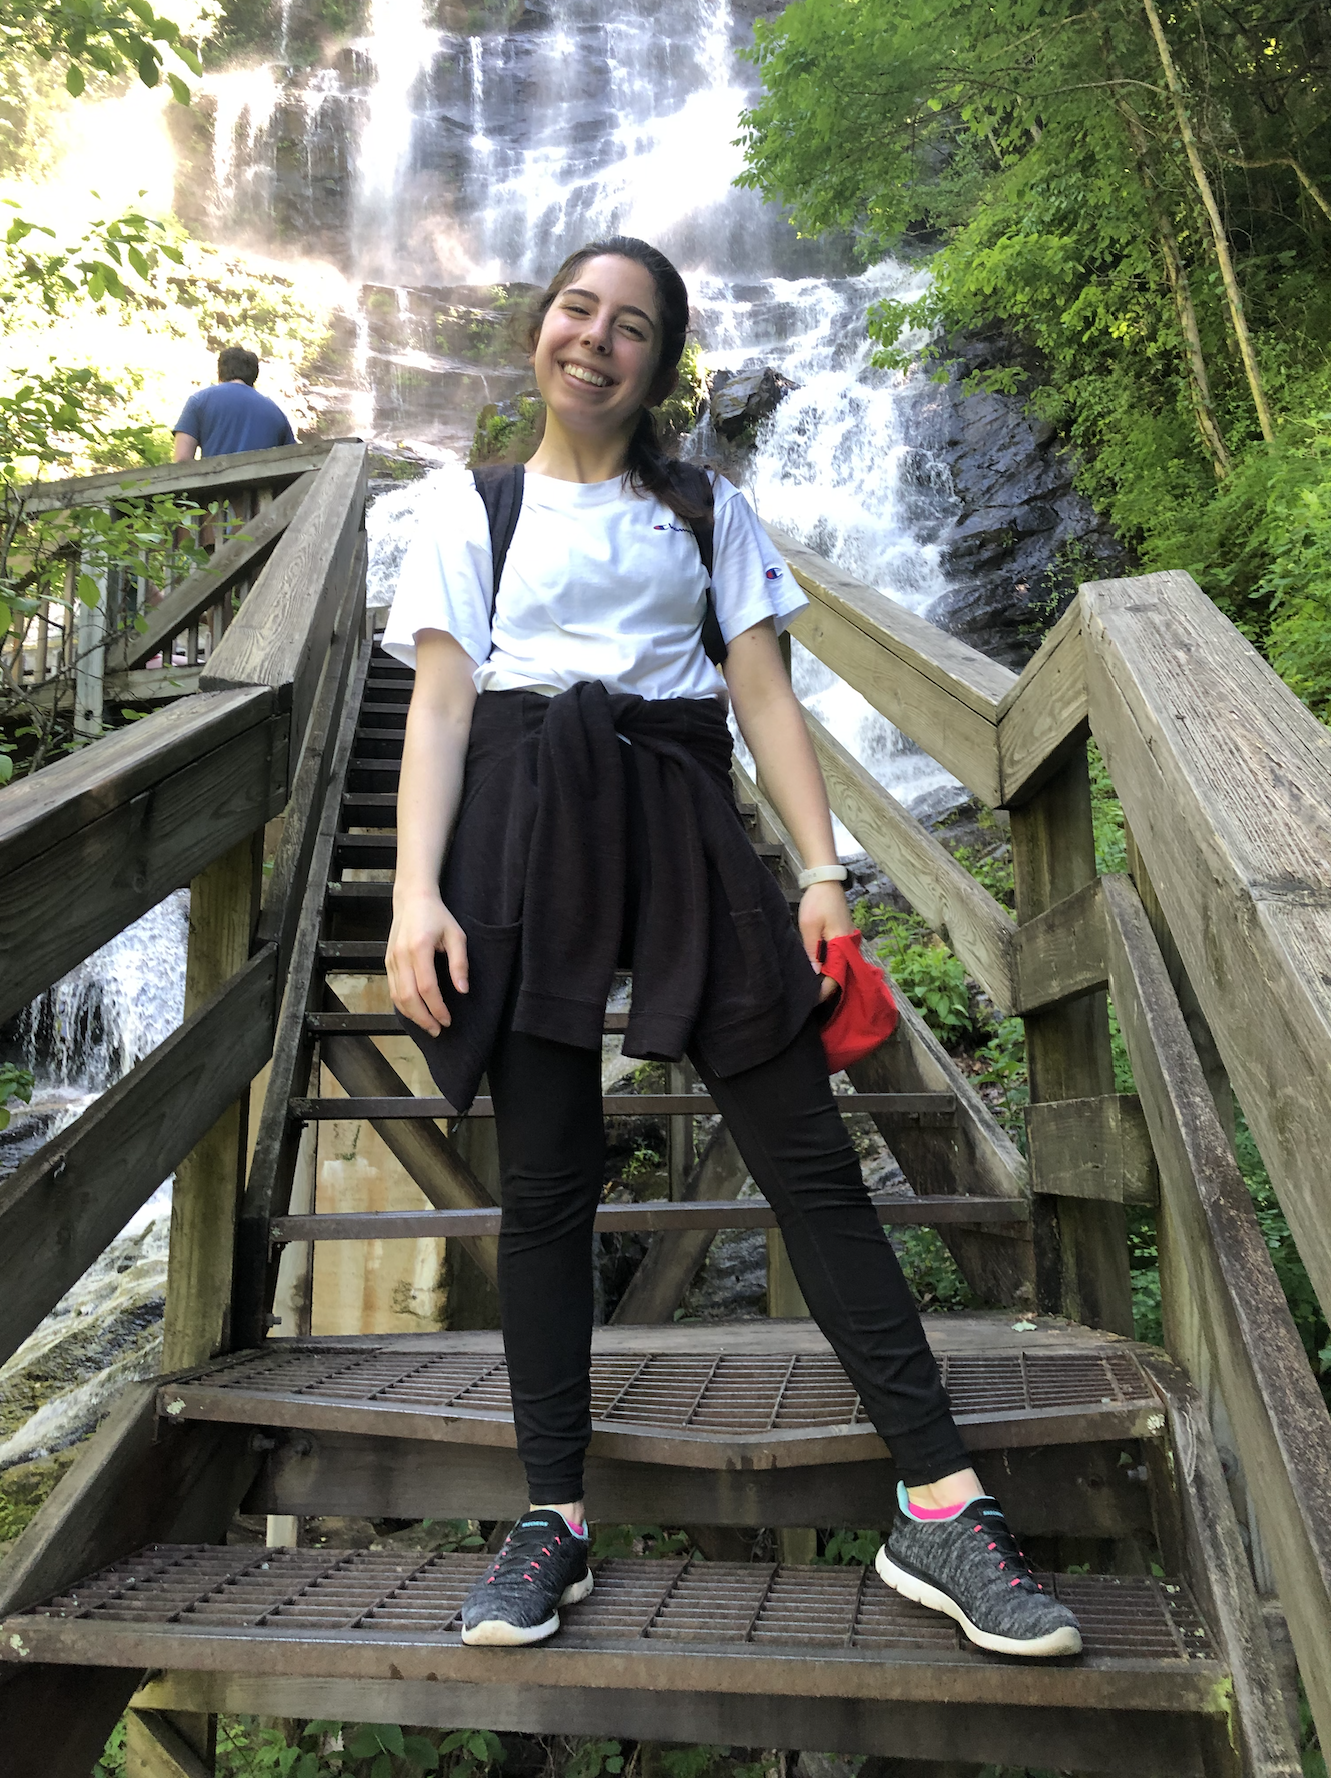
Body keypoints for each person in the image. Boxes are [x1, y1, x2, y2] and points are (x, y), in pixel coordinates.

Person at [381, 236, 1082, 1661]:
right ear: (540, 331)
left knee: (805, 1152)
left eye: (631, 324)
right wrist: (412, 895)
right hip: (516, 823)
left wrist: (821, 874)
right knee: (547, 1185)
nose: (597, 338)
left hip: (683, 813)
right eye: (578, 309)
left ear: (658, 360)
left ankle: (937, 1503)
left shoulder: (706, 508)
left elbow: (764, 698)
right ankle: (551, 1517)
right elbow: (442, 710)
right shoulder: (471, 504)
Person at [172, 347, 295, 461]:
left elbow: (182, 459)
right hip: (263, 484)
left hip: (215, 482)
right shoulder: (276, 413)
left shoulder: (199, 401)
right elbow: (293, 461)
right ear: (254, 376)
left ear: (220, 372)